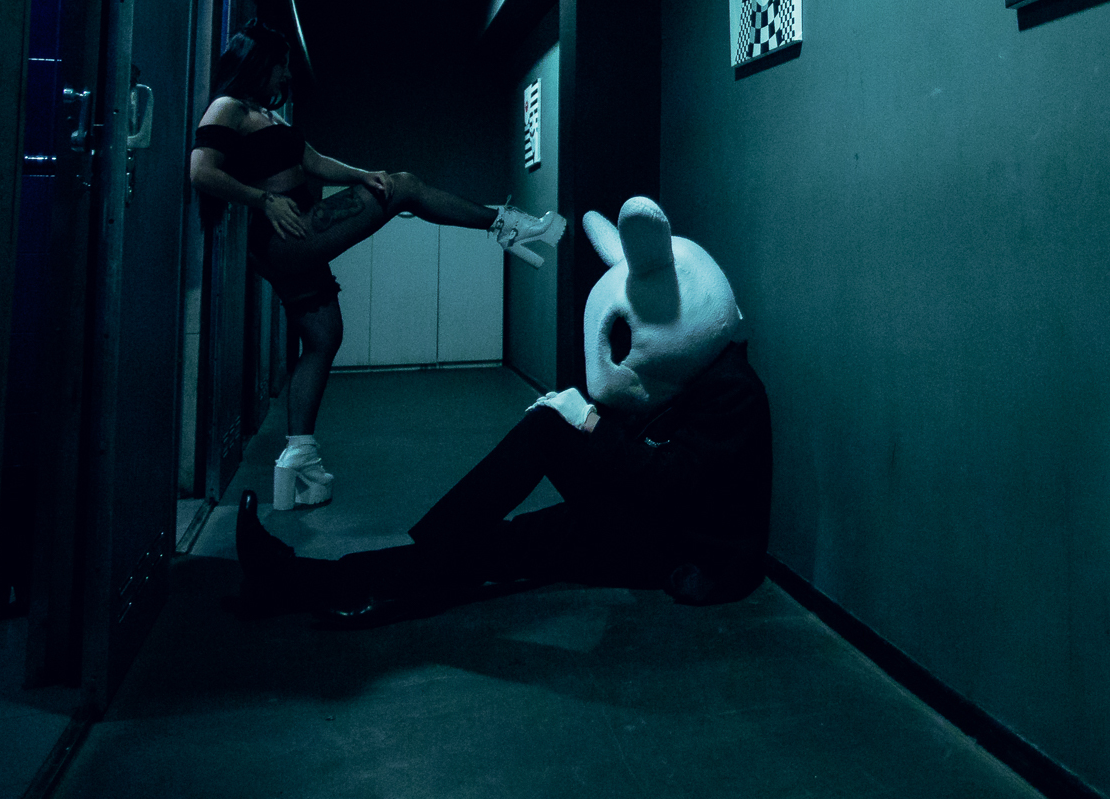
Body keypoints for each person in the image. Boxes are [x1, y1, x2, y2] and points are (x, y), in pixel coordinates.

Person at [234, 196, 772, 621]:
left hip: (676, 548)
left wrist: (586, 423)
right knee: (500, 542)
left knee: (537, 456)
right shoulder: (696, 373)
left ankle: (369, 571)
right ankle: (318, 582)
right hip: (649, 524)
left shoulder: (732, 391)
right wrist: (584, 422)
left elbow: (671, 485)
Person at [189, 20, 564, 511]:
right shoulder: (228, 107)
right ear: (257, 62)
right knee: (405, 185)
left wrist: (363, 174)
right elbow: (201, 171)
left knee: (324, 337)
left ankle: (300, 462)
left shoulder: (266, 114)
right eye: (281, 65)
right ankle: (506, 224)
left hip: (295, 239)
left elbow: (314, 161)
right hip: (287, 236)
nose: (285, 74)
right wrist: (264, 201)